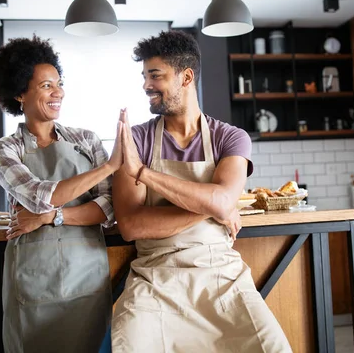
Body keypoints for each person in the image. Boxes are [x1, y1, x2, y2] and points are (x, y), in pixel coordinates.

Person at [111, 30, 292, 352]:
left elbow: (223, 199)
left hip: (222, 275)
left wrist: (141, 172)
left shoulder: (231, 138)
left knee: (272, 346)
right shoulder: (135, 138)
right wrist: (213, 207)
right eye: (144, 76)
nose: (145, 85)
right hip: (155, 276)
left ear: (186, 76)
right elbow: (132, 226)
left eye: (155, 75)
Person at [0, 35, 122, 353]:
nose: (58, 92)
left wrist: (52, 217)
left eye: (59, 83)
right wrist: (107, 168)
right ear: (20, 92)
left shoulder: (86, 140)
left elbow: (108, 206)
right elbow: (39, 196)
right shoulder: (5, 149)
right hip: (33, 281)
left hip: (86, 278)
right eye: (46, 85)